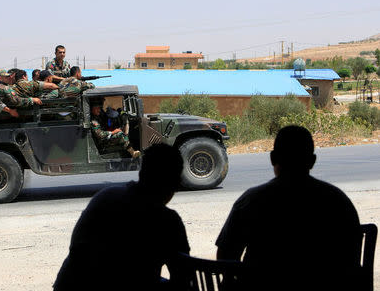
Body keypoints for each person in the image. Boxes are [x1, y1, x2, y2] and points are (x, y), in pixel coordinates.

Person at [215, 125, 362, 291]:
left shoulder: (251, 201)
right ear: (312, 161)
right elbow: (352, 260)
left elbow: (225, 256)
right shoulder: (338, 202)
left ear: (272, 158)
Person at [53, 143, 190, 291]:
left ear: (141, 173)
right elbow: (183, 277)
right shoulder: (167, 221)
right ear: (174, 183)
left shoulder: (105, 196)